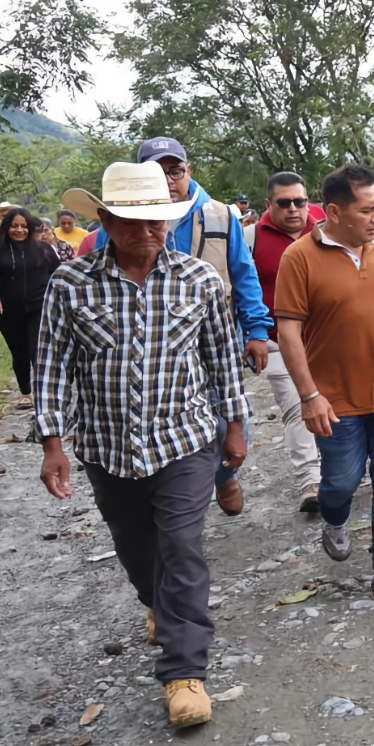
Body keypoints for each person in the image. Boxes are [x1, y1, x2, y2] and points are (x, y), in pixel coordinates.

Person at [35, 161, 249, 729]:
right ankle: (157, 604)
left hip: (185, 438)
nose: (148, 232)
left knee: (182, 545)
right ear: (106, 221)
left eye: (158, 221)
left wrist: (235, 425)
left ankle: (184, 672)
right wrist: (52, 443)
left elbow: (222, 359)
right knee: (135, 546)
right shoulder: (70, 284)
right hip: (106, 445)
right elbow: (51, 366)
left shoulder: (199, 280)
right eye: (133, 221)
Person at [86, 138, 273, 516]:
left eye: (176, 171)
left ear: (189, 170)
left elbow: (244, 273)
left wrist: (256, 330)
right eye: (158, 172)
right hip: (151, 340)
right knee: (168, 411)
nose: (169, 179)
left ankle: (223, 476)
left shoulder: (220, 215)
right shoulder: (119, 220)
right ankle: (177, 488)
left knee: (227, 412)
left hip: (215, 334)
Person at [274, 164, 374, 607]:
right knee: (341, 483)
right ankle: (335, 518)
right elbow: (288, 332)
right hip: (334, 397)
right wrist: (309, 396)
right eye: (367, 210)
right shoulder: (299, 258)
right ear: (335, 212)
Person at [246, 171, 327, 514]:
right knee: (298, 404)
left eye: (300, 201)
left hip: (327, 337)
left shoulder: (326, 227)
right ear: (269, 204)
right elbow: (244, 286)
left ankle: (340, 467)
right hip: (278, 339)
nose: (294, 209)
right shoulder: (251, 237)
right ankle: (311, 480)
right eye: (284, 203)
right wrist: (253, 334)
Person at [0, 207, 60, 409]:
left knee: (37, 351)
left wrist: (59, 298)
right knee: (19, 352)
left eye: (24, 226)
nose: (19, 230)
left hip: (39, 308)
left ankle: (43, 393)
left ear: (30, 228)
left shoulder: (44, 250)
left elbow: (59, 274)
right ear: (6, 227)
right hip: (7, 311)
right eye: (14, 226)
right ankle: (25, 393)